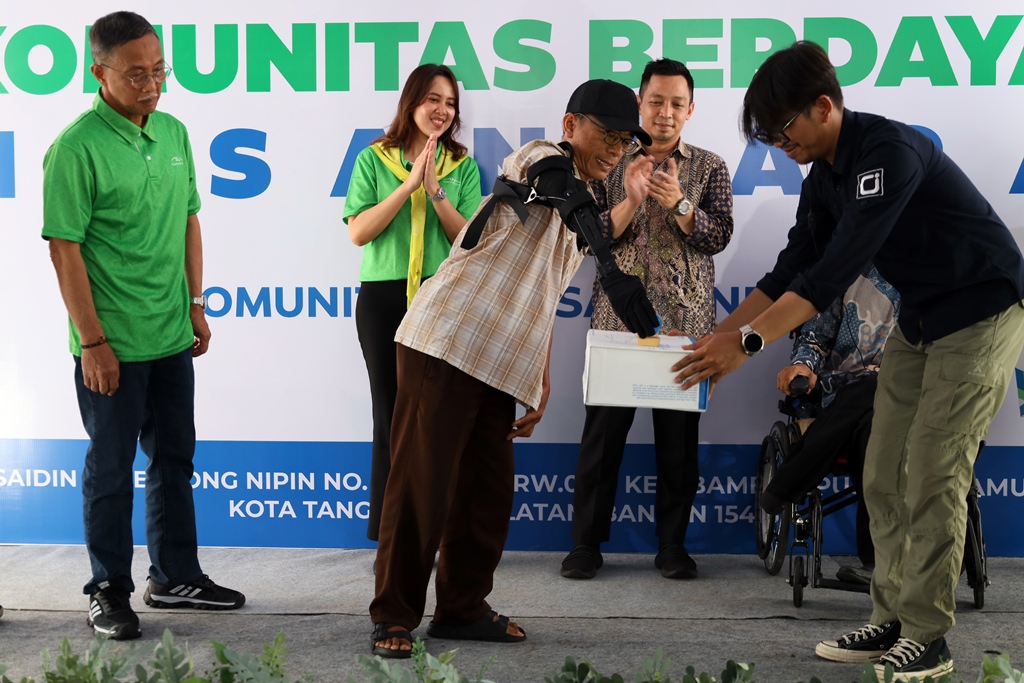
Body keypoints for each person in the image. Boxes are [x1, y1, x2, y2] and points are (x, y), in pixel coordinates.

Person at [671, 41, 1024, 681]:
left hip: (980, 312)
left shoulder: (889, 153)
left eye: (785, 131)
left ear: (824, 107)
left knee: (934, 474)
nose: (782, 146)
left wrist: (746, 348)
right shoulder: (824, 178)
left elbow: (832, 273)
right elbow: (792, 267)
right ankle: (890, 616)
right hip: (919, 321)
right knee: (882, 472)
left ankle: (929, 637)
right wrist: (716, 337)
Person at [369, 79, 658, 658]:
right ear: (572, 124)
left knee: (487, 493)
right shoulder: (539, 160)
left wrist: (541, 375)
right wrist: (611, 255)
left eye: (626, 140)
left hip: (502, 360)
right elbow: (560, 193)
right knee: (422, 486)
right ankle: (394, 616)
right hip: (447, 340)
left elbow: (545, 289)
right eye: (606, 134)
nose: (614, 148)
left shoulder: (589, 210)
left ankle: (461, 608)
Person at [42, 11, 245, 641]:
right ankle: (108, 588)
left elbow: (189, 218)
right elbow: (64, 249)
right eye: (136, 74)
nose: (152, 83)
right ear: (98, 73)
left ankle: (174, 575)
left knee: (174, 459)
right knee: (110, 469)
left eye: (159, 70)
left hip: (169, 334)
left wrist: (195, 304)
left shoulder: (176, 131)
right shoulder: (76, 148)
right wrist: (94, 343)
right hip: (111, 345)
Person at [561, 59, 734, 581]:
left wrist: (681, 204)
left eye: (677, 103)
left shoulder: (709, 165)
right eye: (656, 101)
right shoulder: (608, 159)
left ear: (690, 109)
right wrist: (634, 200)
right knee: (601, 442)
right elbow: (585, 239)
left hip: (687, 326)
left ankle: (672, 546)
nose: (666, 112)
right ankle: (586, 544)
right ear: (641, 103)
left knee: (679, 447)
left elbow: (719, 235)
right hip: (617, 323)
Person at [343, 64, 482, 544]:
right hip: (383, 299)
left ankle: (435, 524)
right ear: (412, 103)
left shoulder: (461, 165)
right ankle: (387, 526)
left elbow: (467, 241)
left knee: (436, 412)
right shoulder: (373, 159)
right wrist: (407, 185)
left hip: (439, 296)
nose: (442, 111)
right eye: (433, 100)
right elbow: (359, 232)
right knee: (390, 408)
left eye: (450, 103)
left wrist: (434, 189)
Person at [763, 264, 900, 583]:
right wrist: (801, 365)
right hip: (843, 395)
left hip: (906, 398)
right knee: (871, 427)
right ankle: (876, 562)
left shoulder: (936, 274)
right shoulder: (847, 271)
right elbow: (814, 339)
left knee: (880, 390)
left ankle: (789, 481)